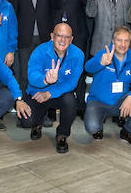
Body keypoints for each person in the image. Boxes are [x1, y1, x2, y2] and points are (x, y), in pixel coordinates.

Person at [19, 23, 84, 153]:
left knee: (70, 100)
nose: (63, 40)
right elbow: (31, 76)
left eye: (67, 37)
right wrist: (45, 80)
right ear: (52, 37)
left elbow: (72, 83)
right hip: (36, 92)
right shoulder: (40, 51)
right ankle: (37, 124)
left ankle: (62, 135)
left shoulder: (78, 55)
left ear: (71, 39)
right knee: (26, 121)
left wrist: (49, 93)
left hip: (59, 94)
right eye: (59, 35)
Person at [84, 27, 131, 146]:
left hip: (121, 103)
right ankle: (99, 123)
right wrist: (101, 63)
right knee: (92, 128)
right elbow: (87, 67)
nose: (123, 44)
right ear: (113, 41)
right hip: (98, 102)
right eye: (119, 40)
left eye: (126, 41)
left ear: (130, 43)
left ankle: (128, 132)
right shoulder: (104, 54)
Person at [8, 0, 59, 91]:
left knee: (46, 73)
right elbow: (13, 16)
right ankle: (25, 108)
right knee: (25, 75)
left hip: (45, 38)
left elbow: (56, 7)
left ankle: (45, 110)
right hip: (25, 38)